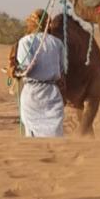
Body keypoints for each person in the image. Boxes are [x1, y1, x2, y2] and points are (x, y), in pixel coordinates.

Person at [10, 8, 66, 137]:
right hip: (52, 93)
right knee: (55, 134)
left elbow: (26, 68)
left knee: (33, 134)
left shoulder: (25, 42)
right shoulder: (57, 43)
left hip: (33, 94)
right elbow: (62, 69)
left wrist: (13, 72)